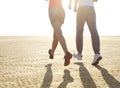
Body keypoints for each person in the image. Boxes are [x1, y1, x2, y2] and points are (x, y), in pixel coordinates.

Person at [70, 0, 102, 65]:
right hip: (91, 8)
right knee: (93, 31)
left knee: (79, 30)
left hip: (82, 7)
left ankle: (79, 53)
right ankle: (97, 54)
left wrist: (75, 7)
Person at [48, 0, 72, 66]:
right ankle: (52, 53)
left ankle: (67, 53)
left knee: (58, 33)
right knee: (56, 35)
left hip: (53, 9)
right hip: (61, 10)